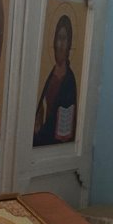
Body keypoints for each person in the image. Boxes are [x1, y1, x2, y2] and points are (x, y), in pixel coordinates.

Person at [33, 14, 77, 146]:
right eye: (58, 38)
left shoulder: (69, 80)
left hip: (56, 142)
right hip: (42, 136)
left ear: (69, 43)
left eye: (64, 39)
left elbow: (67, 123)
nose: (60, 44)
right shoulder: (49, 74)